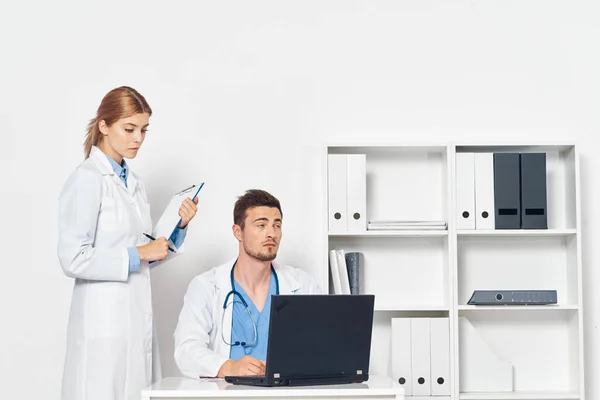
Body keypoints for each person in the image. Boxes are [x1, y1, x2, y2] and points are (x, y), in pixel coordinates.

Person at [57, 86, 199, 400]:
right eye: (129, 128)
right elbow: (73, 258)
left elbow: (146, 253)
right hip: (103, 324)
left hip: (136, 320)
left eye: (144, 130)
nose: (138, 138)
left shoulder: (134, 184)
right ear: (104, 126)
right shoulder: (87, 179)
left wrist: (178, 227)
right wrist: (138, 253)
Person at [174, 189, 321, 378]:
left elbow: (321, 345)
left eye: (277, 225)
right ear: (238, 232)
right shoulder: (206, 286)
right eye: (261, 225)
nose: (271, 234)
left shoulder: (302, 284)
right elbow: (186, 350)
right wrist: (228, 368)